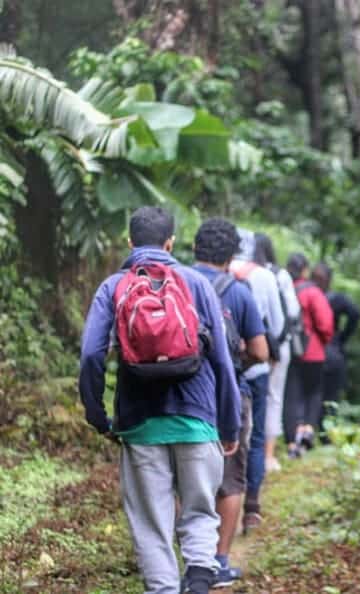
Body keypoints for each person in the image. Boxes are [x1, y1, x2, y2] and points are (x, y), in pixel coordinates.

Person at [79, 206, 241, 594]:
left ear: (130, 242)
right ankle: (201, 576)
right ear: (171, 242)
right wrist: (229, 423)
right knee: (200, 511)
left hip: (140, 422)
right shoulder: (196, 284)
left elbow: (90, 356)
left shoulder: (113, 286)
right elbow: (221, 359)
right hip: (198, 418)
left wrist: (98, 415)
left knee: (152, 524)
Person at [192, 219, 268, 588]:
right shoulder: (238, 293)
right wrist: (236, 360)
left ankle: (187, 559)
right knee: (229, 480)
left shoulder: (178, 282)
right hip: (229, 395)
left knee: (180, 479)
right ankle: (219, 562)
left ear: (193, 249)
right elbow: (260, 351)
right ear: (232, 254)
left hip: (180, 395)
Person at [229, 229, 284, 531]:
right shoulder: (265, 277)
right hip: (256, 370)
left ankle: (217, 508)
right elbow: (275, 325)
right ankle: (251, 506)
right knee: (256, 436)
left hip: (222, 370)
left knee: (223, 435)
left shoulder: (221, 273)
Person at [252, 233, 301, 473]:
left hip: (250, 346)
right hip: (278, 347)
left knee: (250, 397)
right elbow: (292, 311)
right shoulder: (280, 275)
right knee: (274, 397)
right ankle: (268, 456)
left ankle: (248, 448)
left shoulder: (243, 271)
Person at [283, 253, 334, 458]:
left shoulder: (284, 289)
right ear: (305, 270)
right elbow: (326, 324)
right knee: (313, 393)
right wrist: (323, 339)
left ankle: (291, 441)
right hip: (312, 352)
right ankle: (307, 432)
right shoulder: (312, 292)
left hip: (289, 350)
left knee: (291, 395)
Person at [311, 263, 360, 436]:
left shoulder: (307, 295)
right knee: (328, 396)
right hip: (331, 352)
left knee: (315, 394)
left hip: (314, 352)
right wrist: (341, 338)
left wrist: (341, 338)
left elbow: (355, 313)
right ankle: (324, 433)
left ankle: (315, 432)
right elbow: (355, 313)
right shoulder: (334, 298)